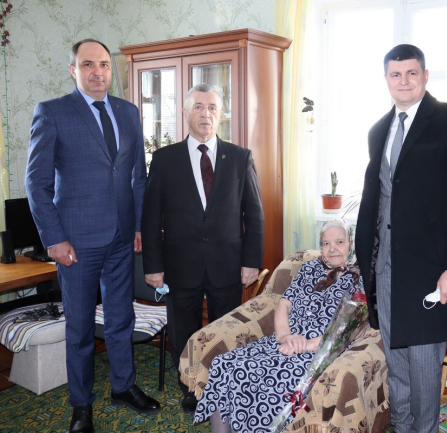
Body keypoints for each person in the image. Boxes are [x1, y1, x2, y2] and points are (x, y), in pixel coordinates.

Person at [25, 39, 160, 433]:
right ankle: (81, 406)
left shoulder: (128, 112)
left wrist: (138, 226)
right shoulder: (52, 112)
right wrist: (54, 239)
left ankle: (123, 387)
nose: (98, 72)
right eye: (88, 64)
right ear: (74, 70)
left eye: (103, 64)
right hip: (76, 242)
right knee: (80, 328)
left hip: (121, 238)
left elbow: (137, 176)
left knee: (121, 317)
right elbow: (36, 183)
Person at [355, 44, 447, 433]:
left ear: (425, 76)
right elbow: (379, 198)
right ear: (386, 79)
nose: (404, 81)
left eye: (412, 73)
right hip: (385, 268)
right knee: (396, 364)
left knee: (425, 368)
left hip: (431, 271)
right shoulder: (378, 129)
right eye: (396, 74)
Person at [141, 83, 264, 415]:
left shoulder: (240, 157)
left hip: (228, 264)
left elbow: (254, 214)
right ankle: (191, 388)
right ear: (185, 112)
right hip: (180, 265)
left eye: (211, 107)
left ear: (220, 114)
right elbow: (150, 218)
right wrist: (153, 266)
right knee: (183, 330)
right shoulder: (164, 159)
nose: (205, 113)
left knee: (226, 331)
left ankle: (222, 386)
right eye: (198, 106)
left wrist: (251, 261)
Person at [193, 219, 363, 433]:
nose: (332, 249)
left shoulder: (359, 278)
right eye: (326, 243)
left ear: (350, 242)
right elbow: (284, 304)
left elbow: (349, 328)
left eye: (339, 242)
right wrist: (284, 336)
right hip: (284, 341)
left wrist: (306, 344)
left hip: (319, 351)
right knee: (224, 364)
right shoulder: (309, 268)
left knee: (263, 375)